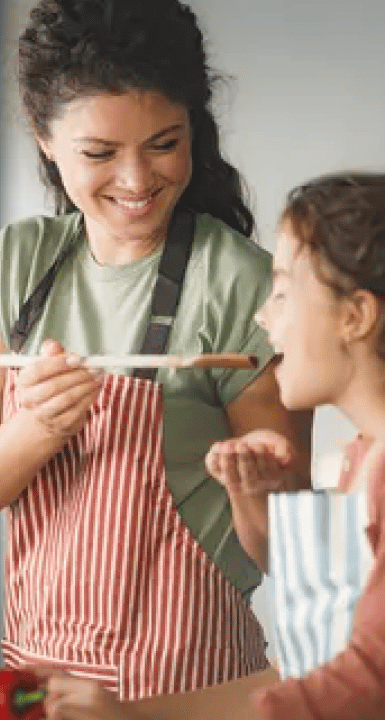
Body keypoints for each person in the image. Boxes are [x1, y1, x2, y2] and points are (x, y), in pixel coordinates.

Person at [0, 0, 313, 702]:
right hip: (38, 681)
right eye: (100, 154)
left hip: (189, 691)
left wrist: (259, 483)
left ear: (194, 128)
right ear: (44, 139)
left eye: (164, 143)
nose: (137, 181)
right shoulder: (20, 264)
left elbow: (288, 535)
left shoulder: (241, 281)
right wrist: (35, 430)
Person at [36, 173, 385, 719]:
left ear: (355, 315)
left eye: (284, 292)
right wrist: (135, 710)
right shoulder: (363, 457)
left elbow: (365, 685)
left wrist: (140, 719)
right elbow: (308, 666)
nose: (263, 317)